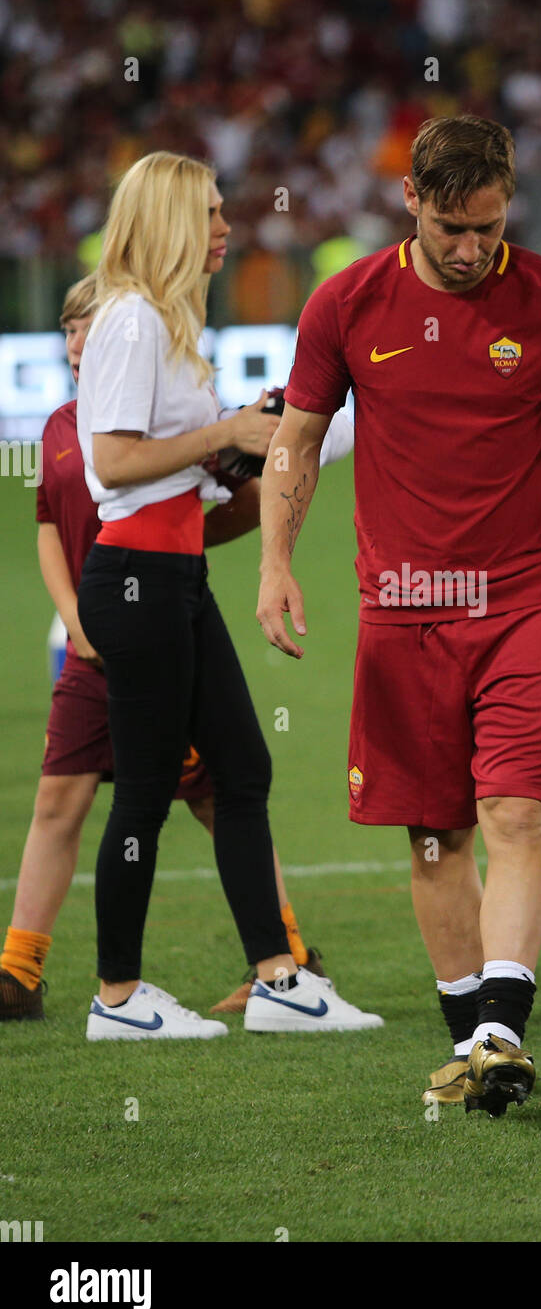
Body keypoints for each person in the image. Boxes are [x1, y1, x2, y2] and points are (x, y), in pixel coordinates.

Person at [257, 115, 541, 1116]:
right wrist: (272, 560)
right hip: (402, 611)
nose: (470, 247)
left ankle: (499, 1030)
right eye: (449, 227)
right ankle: (472, 1044)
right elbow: (296, 443)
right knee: (432, 838)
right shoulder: (346, 303)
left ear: (508, 202)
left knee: (516, 812)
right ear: (411, 204)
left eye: (486, 225)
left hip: (532, 598)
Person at [74, 151, 381, 1039]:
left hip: (171, 574)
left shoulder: (161, 323)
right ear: (170, 220)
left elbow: (186, 489)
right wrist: (228, 431)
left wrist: (274, 446)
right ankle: (119, 997)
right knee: (142, 795)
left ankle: (278, 977)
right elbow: (114, 461)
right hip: (137, 581)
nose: (226, 229)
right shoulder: (131, 319)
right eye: (210, 213)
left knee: (243, 771)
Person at [0, 274, 363, 1024]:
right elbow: (45, 527)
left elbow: (212, 512)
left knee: (215, 787)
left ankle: (282, 961)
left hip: (153, 615)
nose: (76, 343)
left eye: (88, 328)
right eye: (68, 329)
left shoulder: (143, 426)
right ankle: (27, 974)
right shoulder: (63, 427)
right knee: (67, 798)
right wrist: (72, 619)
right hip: (98, 635)